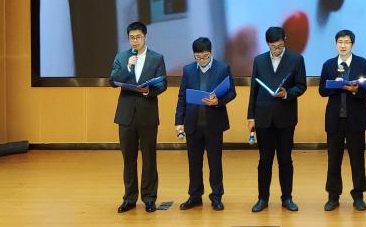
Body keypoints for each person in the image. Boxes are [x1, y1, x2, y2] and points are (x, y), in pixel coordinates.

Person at [247, 25, 308, 213]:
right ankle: (262, 198)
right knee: (264, 161)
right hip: (263, 117)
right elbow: (254, 90)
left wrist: (287, 93)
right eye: (273, 46)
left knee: (285, 160)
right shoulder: (259, 60)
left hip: (285, 117)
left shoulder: (296, 59)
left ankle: (287, 198)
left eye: (280, 46)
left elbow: (301, 85)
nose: (277, 49)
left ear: (285, 40)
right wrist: (250, 116)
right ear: (267, 44)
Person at [109, 21, 167, 213]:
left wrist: (148, 91)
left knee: (149, 158)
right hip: (126, 115)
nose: (135, 41)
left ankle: (149, 198)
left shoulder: (157, 58)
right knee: (129, 158)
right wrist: (127, 67)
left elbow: (163, 84)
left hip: (147, 113)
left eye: (138, 37)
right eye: (132, 38)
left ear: (145, 37)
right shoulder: (122, 57)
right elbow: (112, 80)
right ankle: (129, 198)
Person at [175, 37, 237, 211]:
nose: (202, 60)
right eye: (198, 57)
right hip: (192, 123)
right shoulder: (188, 70)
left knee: (215, 163)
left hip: (214, 123)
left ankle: (216, 196)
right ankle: (195, 196)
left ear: (211, 53)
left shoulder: (222, 68)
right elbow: (182, 96)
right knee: (194, 163)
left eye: (205, 56)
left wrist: (218, 101)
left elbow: (232, 92)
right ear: (194, 55)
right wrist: (179, 121)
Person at [319, 29, 366, 211]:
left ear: (352, 44)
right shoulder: (328, 65)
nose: (343, 45)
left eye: (347, 42)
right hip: (334, 120)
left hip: (356, 119)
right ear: (336, 44)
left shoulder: (362, 63)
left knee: (357, 160)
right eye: (340, 42)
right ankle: (333, 196)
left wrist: (356, 90)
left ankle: (358, 196)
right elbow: (322, 90)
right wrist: (335, 86)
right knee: (333, 160)